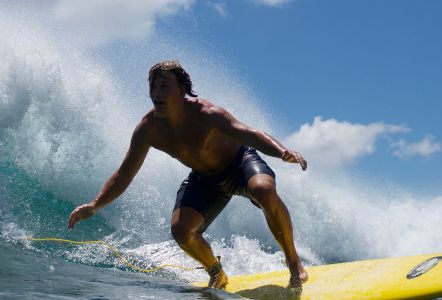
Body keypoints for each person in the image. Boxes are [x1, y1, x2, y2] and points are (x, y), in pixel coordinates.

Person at [67, 60, 308, 289]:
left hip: (239, 164)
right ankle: (216, 272)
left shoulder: (208, 113)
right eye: (153, 86)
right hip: (205, 179)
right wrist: (95, 205)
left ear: (182, 89)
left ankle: (293, 262)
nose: (156, 92)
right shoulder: (148, 130)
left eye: (164, 86)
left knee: (263, 190)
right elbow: (124, 175)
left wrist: (282, 152)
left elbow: (249, 133)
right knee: (181, 231)